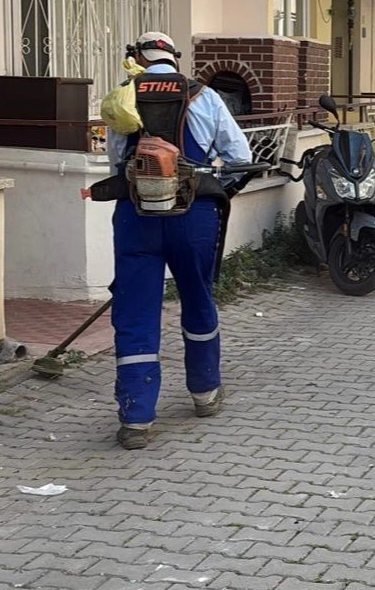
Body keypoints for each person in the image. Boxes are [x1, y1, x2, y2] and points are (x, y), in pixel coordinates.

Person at [105, 32, 252, 450]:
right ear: (174, 58)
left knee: (135, 313)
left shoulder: (123, 97)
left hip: (136, 216)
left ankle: (136, 418)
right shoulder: (204, 96)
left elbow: (115, 161)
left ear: (137, 58)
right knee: (198, 299)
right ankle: (205, 393)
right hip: (194, 215)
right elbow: (240, 158)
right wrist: (215, 189)